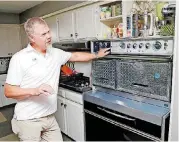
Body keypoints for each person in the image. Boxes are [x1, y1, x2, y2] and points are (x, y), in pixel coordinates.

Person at [4, 17, 110, 141]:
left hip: (49, 117)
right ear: (32, 38)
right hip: (28, 120)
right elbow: (9, 91)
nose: (48, 36)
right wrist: (35, 90)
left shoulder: (55, 53)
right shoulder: (19, 58)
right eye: (43, 34)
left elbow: (75, 55)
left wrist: (96, 55)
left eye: (48, 31)